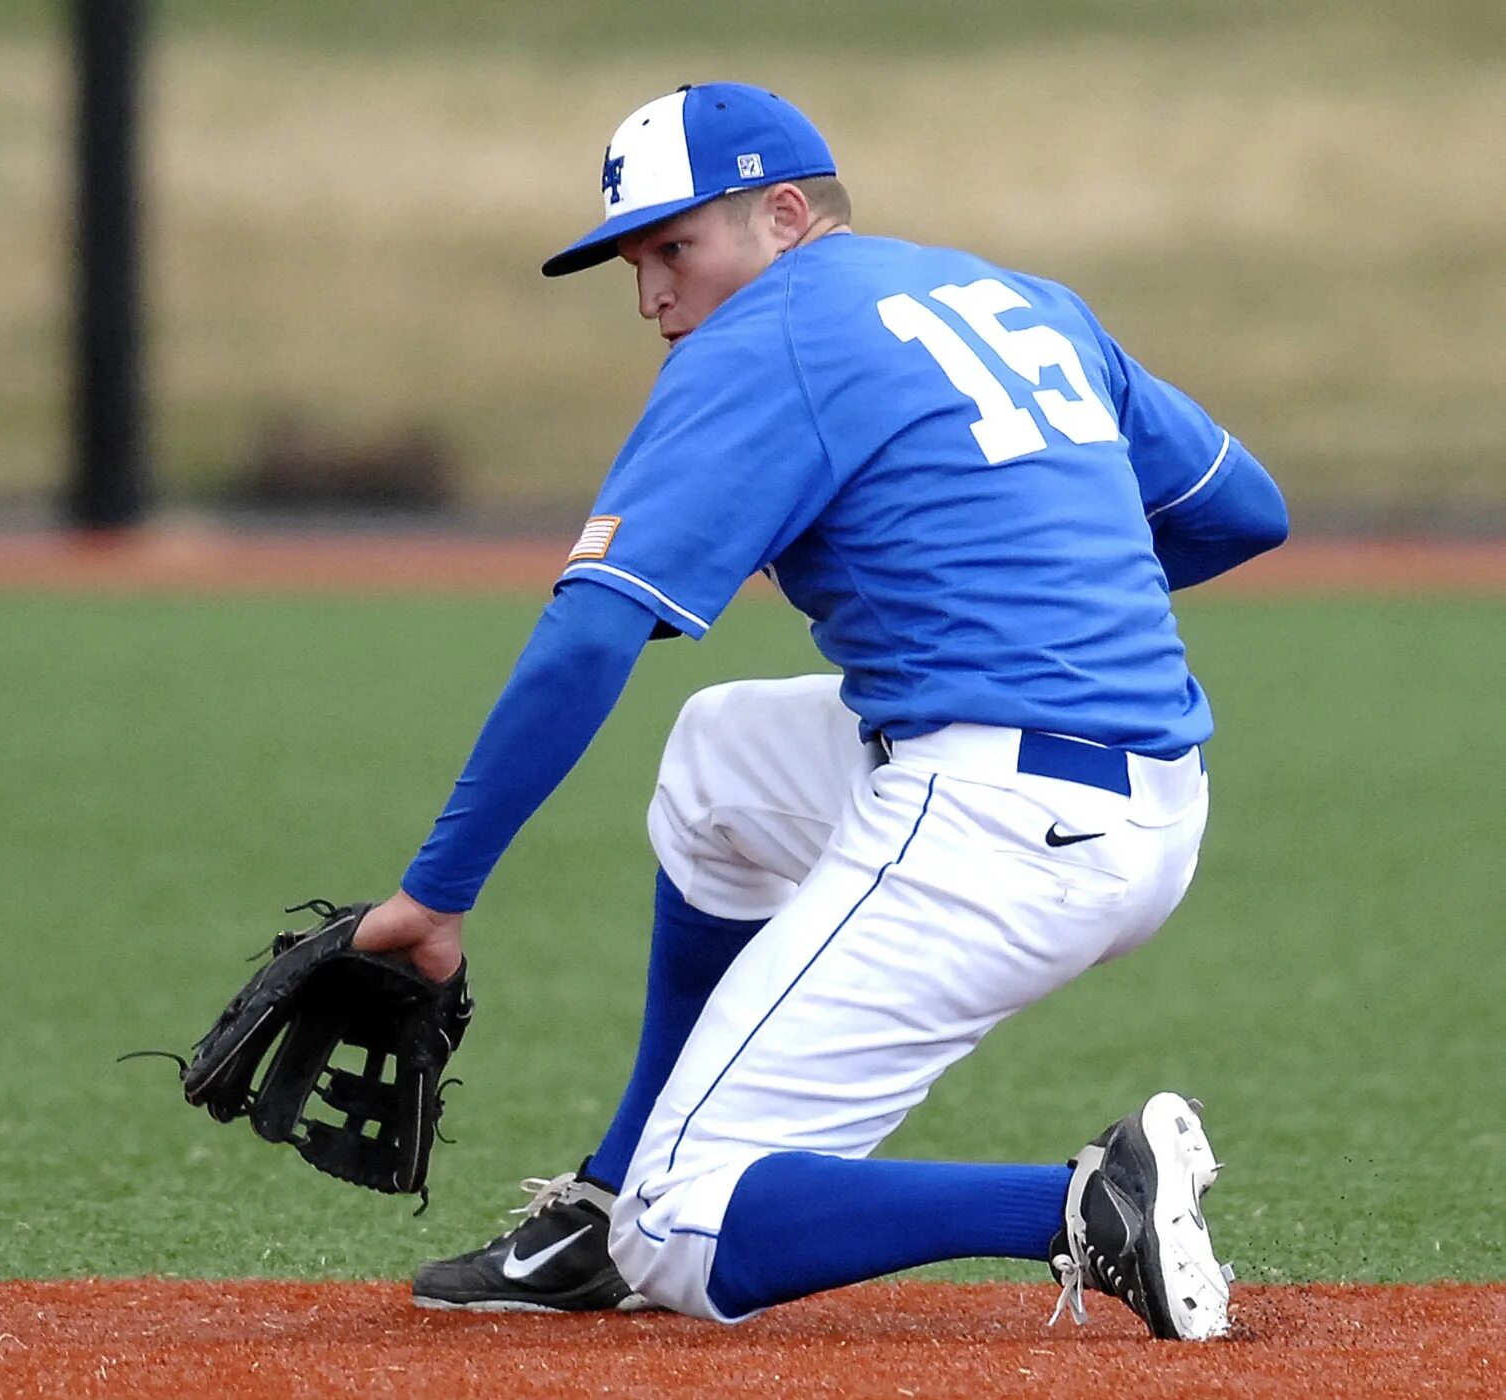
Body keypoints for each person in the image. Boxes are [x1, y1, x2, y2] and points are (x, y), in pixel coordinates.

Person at [350, 82, 1287, 1339]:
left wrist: (438, 891)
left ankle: (1078, 1202)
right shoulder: (1013, 298)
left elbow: (588, 634)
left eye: (675, 247)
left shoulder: (766, 337)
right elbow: (1245, 508)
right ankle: (608, 1183)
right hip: (1150, 797)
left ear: (784, 214)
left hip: (998, 825)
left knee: (682, 1227)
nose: (652, 296)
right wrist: (1029, 587)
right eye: (633, 262)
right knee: (719, 760)